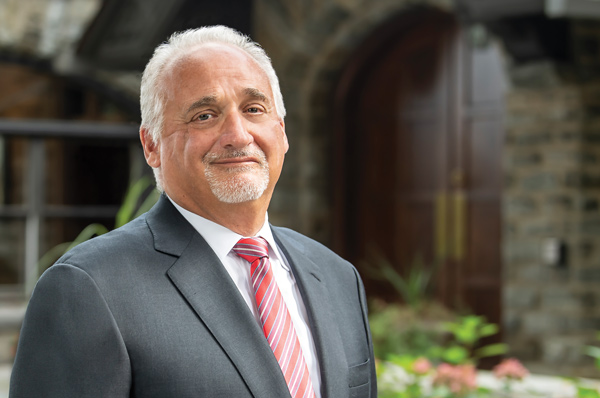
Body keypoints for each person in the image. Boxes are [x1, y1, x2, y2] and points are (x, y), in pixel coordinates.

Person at [10, 25, 376, 398]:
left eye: (253, 109)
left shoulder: (337, 277)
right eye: (204, 115)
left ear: (281, 132)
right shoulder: (87, 289)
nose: (238, 134)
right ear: (151, 145)